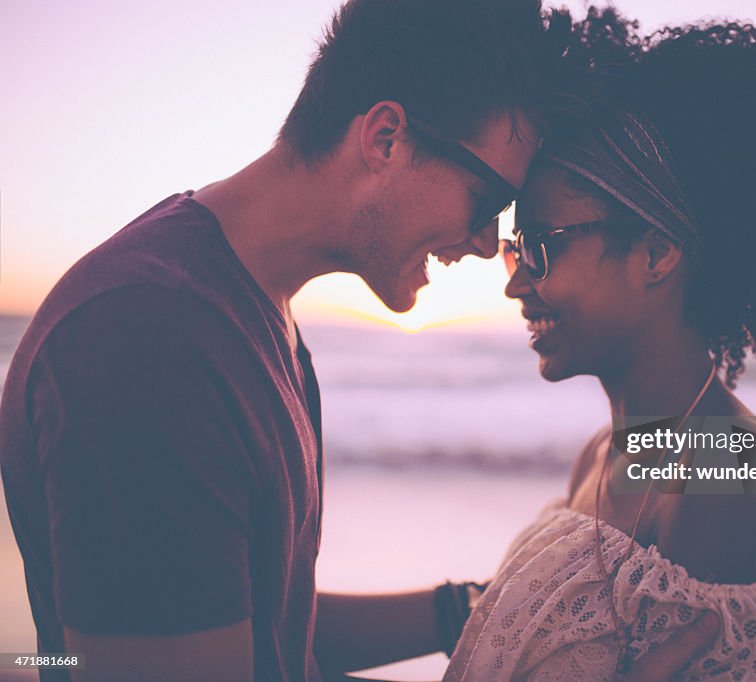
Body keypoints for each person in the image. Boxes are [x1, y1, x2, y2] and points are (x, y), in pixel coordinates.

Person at [0, 1, 567, 680]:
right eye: (488, 202)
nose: (485, 245)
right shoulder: (148, 339)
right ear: (386, 139)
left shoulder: (255, 314)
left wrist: (474, 613)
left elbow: (265, 631)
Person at [446, 11, 756, 681]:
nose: (516, 285)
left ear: (657, 252)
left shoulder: (724, 477)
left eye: (541, 248)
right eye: (513, 250)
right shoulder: (604, 451)